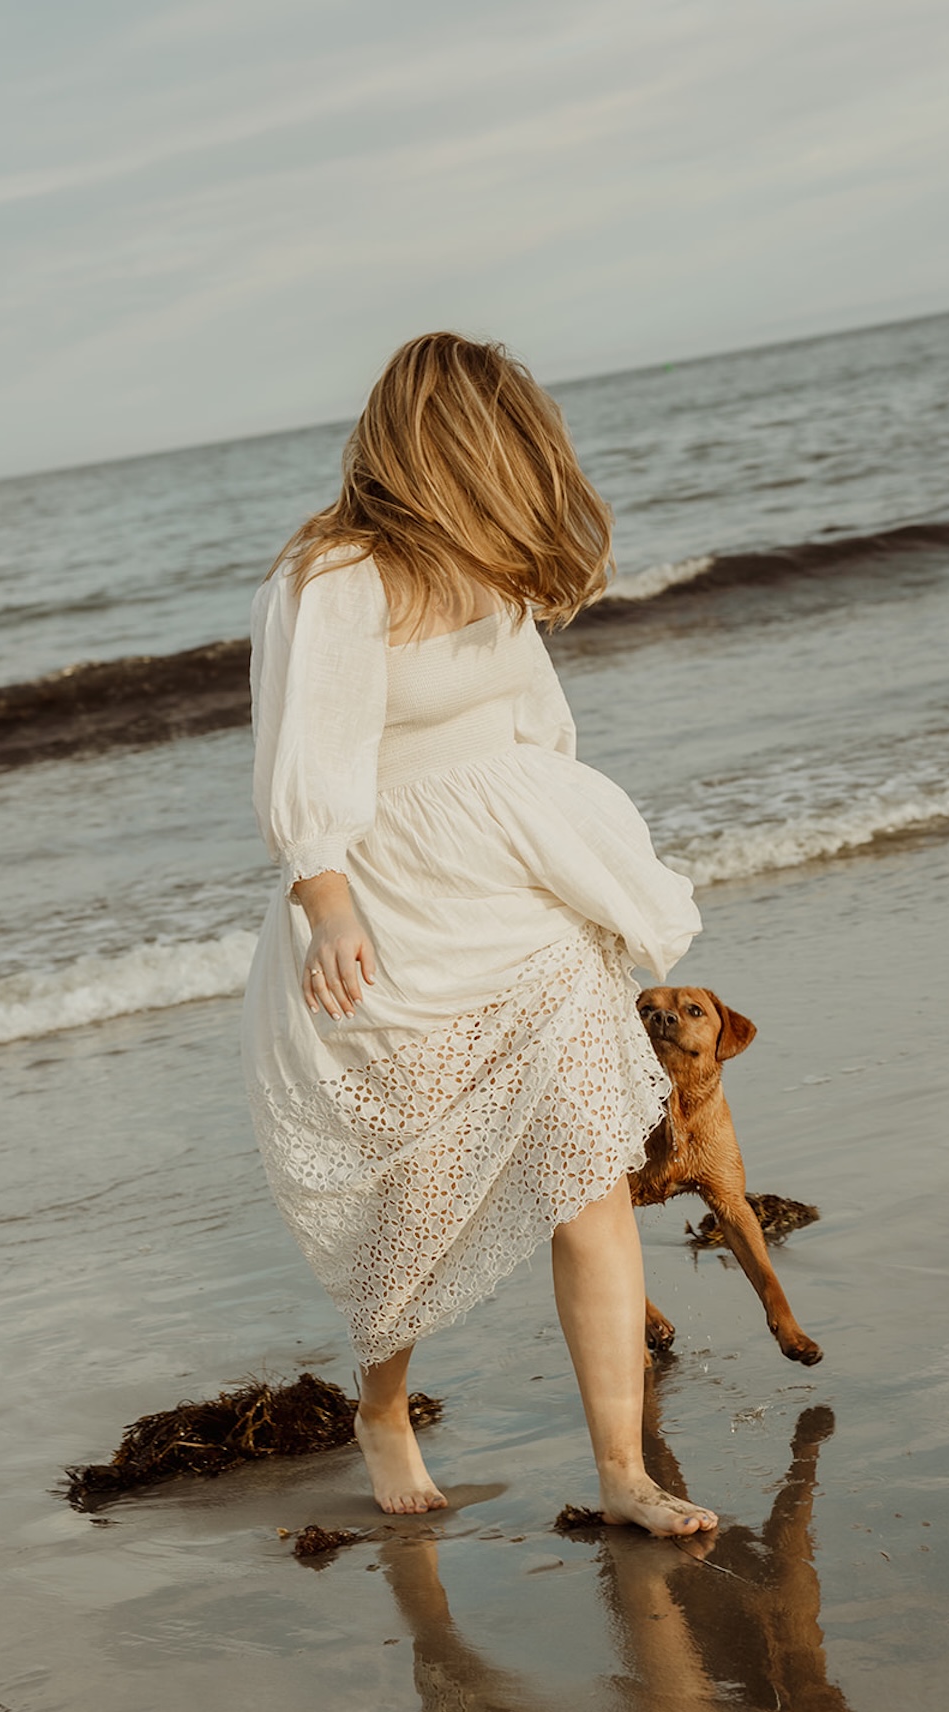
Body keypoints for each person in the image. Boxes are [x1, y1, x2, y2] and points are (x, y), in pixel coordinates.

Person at [242, 332, 716, 1536]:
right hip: (397, 904)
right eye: (499, 449)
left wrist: (583, 869)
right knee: (424, 1192)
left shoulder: (489, 564)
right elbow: (310, 757)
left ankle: (621, 1473)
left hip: (518, 899)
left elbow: (535, 730)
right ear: (439, 448)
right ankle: (383, 1406)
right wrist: (324, 897)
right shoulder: (338, 575)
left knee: (587, 1177)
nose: (520, 475)